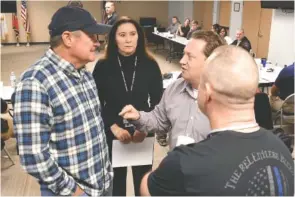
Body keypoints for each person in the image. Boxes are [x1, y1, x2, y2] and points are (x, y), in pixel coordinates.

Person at [140, 46, 294, 196]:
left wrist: (166, 168)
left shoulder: (184, 162)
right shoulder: (282, 148)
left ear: (207, 93)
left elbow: (147, 189)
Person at [13, 6, 112, 196]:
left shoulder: (84, 74)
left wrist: (105, 175)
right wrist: (75, 191)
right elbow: (33, 157)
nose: (97, 42)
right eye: (91, 36)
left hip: (100, 185)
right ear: (67, 38)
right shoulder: (35, 83)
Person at [92, 17, 163, 196]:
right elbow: (95, 103)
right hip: (112, 129)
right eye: (122, 35)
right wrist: (113, 126)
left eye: (132, 34)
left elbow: (158, 102)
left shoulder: (150, 64)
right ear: (114, 38)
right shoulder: (102, 66)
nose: (128, 39)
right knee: (116, 185)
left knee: (143, 183)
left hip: (143, 129)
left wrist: (145, 128)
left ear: (139, 37)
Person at [119, 31, 225, 150]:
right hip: (176, 166)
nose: (182, 61)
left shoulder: (228, 100)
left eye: (190, 56)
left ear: (211, 62)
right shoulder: (174, 88)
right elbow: (159, 121)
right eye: (184, 54)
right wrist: (138, 117)